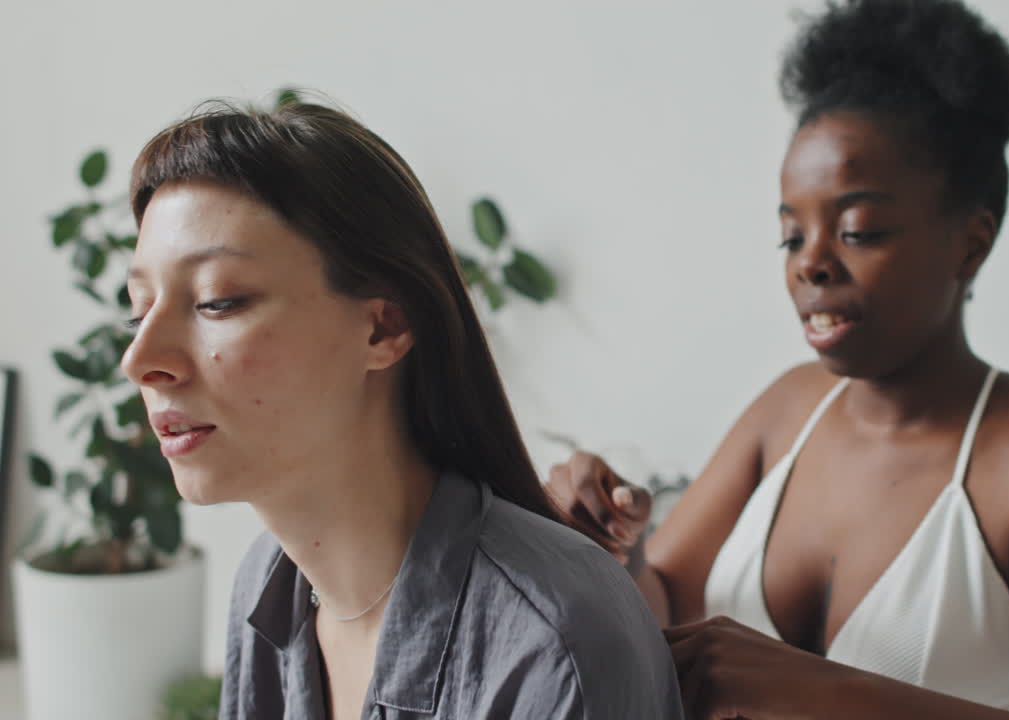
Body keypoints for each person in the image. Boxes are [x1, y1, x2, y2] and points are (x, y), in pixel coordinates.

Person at [547, 1, 1009, 718]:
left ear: (971, 244)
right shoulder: (787, 411)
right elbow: (666, 602)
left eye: (858, 230)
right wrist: (613, 547)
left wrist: (820, 690)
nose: (811, 265)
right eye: (791, 237)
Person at [122, 100, 683, 720]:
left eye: (217, 301)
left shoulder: (553, 644)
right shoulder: (269, 587)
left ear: (384, 327)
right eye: (137, 308)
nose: (140, 359)